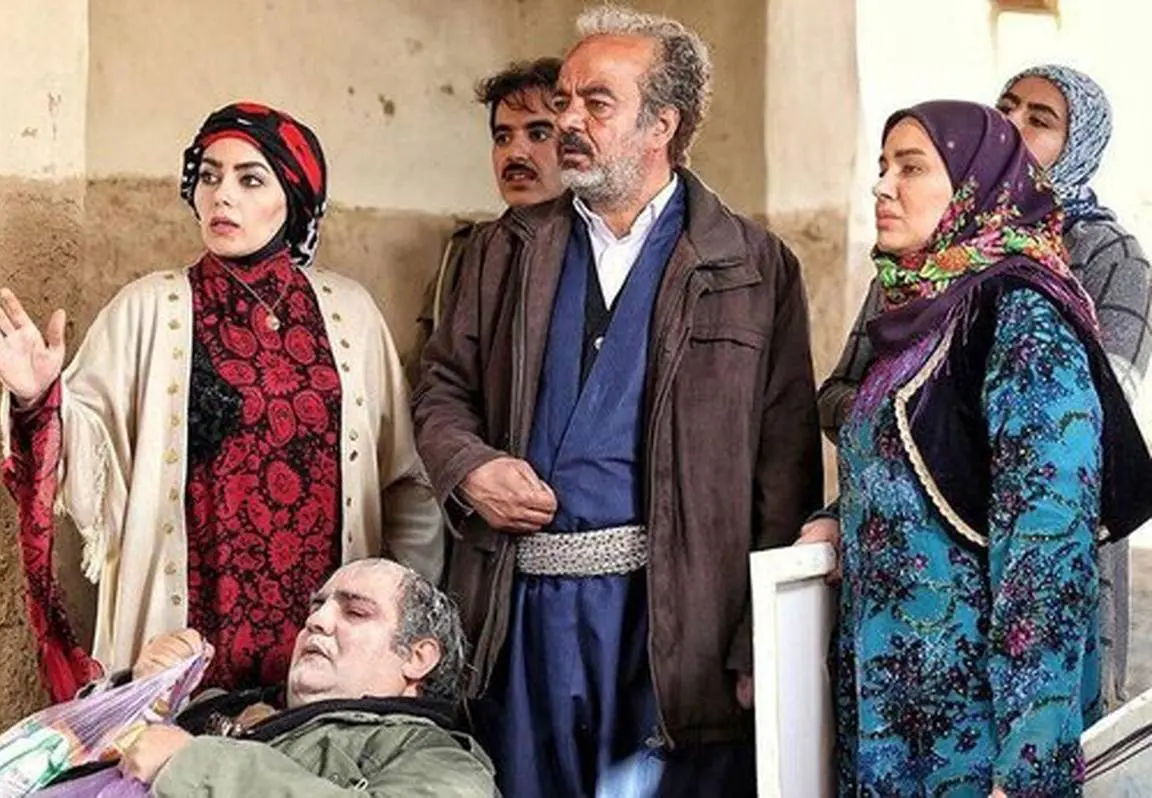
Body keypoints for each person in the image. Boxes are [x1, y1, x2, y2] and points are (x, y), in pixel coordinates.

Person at [412, 6, 822, 796]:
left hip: (676, 628)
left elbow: (785, 471)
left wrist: (756, 642)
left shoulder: (752, 267)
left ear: (661, 124)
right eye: (564, 100)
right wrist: (469, 468)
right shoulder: (501, 251)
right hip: (519, 620)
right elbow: (441, 390)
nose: (568, 121)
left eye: (595, 103)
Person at [0, 102, 443, 693]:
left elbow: (405, 481)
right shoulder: (147, 308)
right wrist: (40, 398)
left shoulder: (353, 315)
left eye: (250, 179)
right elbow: (88, 463)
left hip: (321, 624)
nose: (222, 196)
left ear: (294, 198)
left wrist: (397, 616)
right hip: (190, 621)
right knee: (181, 743)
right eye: (210, 176)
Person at [816, 100, 1152, 795]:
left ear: (976, 185)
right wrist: (838, 515)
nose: (882, 185)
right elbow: (915, 463)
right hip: (893, 714)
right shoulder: (920, 310)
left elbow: (1048, 547)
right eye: (882, 166)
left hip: (976, 734)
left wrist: (1027, 766)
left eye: (911, 167)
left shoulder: (1022, 315)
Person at [47, 559, 497, 796]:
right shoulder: (220, 704)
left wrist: (191, 765)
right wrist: (139, 691)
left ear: (417, 658)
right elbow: (60, 751)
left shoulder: (437, 757)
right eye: (316, 608)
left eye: (355, 612)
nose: (317, 621)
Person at [409, 57, 565, 384]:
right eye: (502, 138)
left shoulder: (607, 251)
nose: (515, 153)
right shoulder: (468, 253)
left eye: (538, 133)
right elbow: (435, 379)